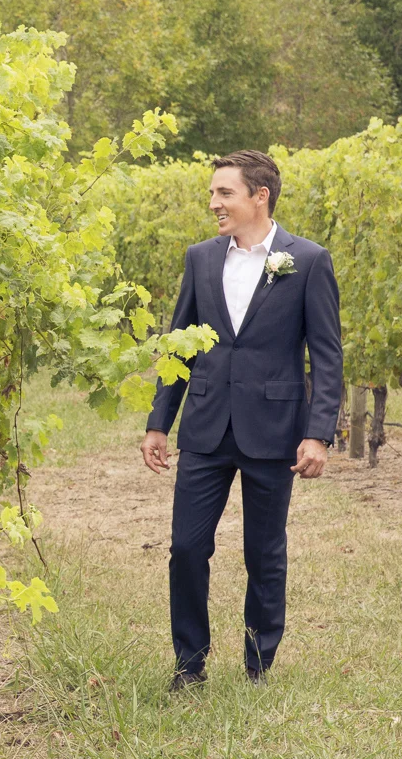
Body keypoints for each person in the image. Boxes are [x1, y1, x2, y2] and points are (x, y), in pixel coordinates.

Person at [140, 150, 342, 691]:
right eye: (212, 193)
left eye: (224, 193)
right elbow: (178, 347)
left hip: (273, 428)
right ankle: (189, 663)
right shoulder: (200, 258)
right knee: (186, 547)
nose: (213, 203)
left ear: (260, 197)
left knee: (264, 550)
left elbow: (326, 355)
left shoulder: (309, 260)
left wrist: (318, 432)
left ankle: (258, 662)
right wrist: (159, 422)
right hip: (206, 425)